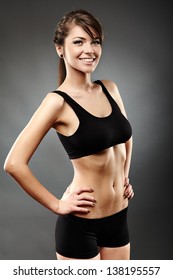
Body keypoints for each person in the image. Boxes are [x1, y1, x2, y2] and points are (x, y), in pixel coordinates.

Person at [4, 9, 134, 260]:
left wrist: (124, 176)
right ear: (60, 48)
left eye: (95, 41)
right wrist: (57, 205)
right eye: (79, 41)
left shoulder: (109, 88)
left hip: (119, 217)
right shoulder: (57, 103)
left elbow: (127, 138)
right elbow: (14, 164)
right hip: (81, 225)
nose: (90, 49)